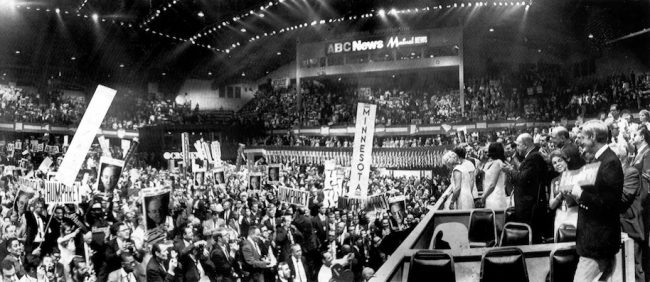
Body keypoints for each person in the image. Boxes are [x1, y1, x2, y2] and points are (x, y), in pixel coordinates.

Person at [569, 120, 623, 281]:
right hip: (594, 242)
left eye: (583, 137)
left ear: (593, 137)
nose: (580, 142)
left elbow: (609, 204)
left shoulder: (610, 162)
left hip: (598, 245)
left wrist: (581, 194)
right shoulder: (599, 160)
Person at [502, 133, 550, 243]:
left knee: (530, 237)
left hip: (529, 206)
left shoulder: (533, 157)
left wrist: (510, 170)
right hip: (528, 204)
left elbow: (522, 179)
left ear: (525, 145)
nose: (517, 148)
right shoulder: (531, 156)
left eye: (518, 145)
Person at [612, 145, 646, 282]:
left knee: (634, 269)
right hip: (618, 227)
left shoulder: (630, 172)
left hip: (629, 227)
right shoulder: (617, 173)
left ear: (618, 157)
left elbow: (623, 198)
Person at [548, 151, 578, 239]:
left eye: (560, 160)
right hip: (560, 215)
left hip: (574, 213)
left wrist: (570, 192)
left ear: (566, 161)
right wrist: (560, 194)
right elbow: (551, 206)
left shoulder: (576, 177)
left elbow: (581, 200)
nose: (557, 164)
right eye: (554, 163)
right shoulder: (554, 181)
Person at [479, 142, 508, 210]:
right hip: (489, 194)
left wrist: (483, 198)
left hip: (495, 195)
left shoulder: (498, 163)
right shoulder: (490, 163)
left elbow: (492, 185)